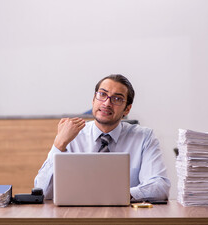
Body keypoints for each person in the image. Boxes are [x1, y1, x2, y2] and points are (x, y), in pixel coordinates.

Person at [34, 74, 170, 201]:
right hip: (77, 217)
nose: (107, 103)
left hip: (125, 218)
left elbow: (160, 186)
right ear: (93, 100)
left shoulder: (144, 137)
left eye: (117, 99)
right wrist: (59, 144)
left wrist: (114, 196)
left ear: (127, 109)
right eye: (102, 94)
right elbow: (42, 192)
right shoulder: (72, 135)